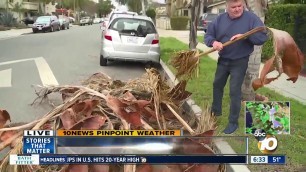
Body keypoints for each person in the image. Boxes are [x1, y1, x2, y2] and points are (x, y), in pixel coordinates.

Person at [204, 0, 268, 134]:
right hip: (223, 59)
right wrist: (214, 42)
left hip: (240, 61)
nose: (237, 9)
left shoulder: (251, 18)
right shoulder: (219, 20)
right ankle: (216, 111)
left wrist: (246, 36)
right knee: (217, 85)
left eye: (240, 6)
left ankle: (233, 122)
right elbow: (208, 36)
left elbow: (262, 37)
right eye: (233, 7)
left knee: (234, 90)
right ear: (227, 6)